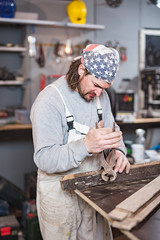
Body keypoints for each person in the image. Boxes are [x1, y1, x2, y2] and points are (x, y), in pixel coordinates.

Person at [30, 44, 130, 240]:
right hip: (60, 199)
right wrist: (85, 146)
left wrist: (118, 151)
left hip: (93, 193)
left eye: (104, 88)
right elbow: (44, 158)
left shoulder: (101, 97)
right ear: (81, 69)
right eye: (96, 85)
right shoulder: (49, 101)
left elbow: (113, 131)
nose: (99, 93)